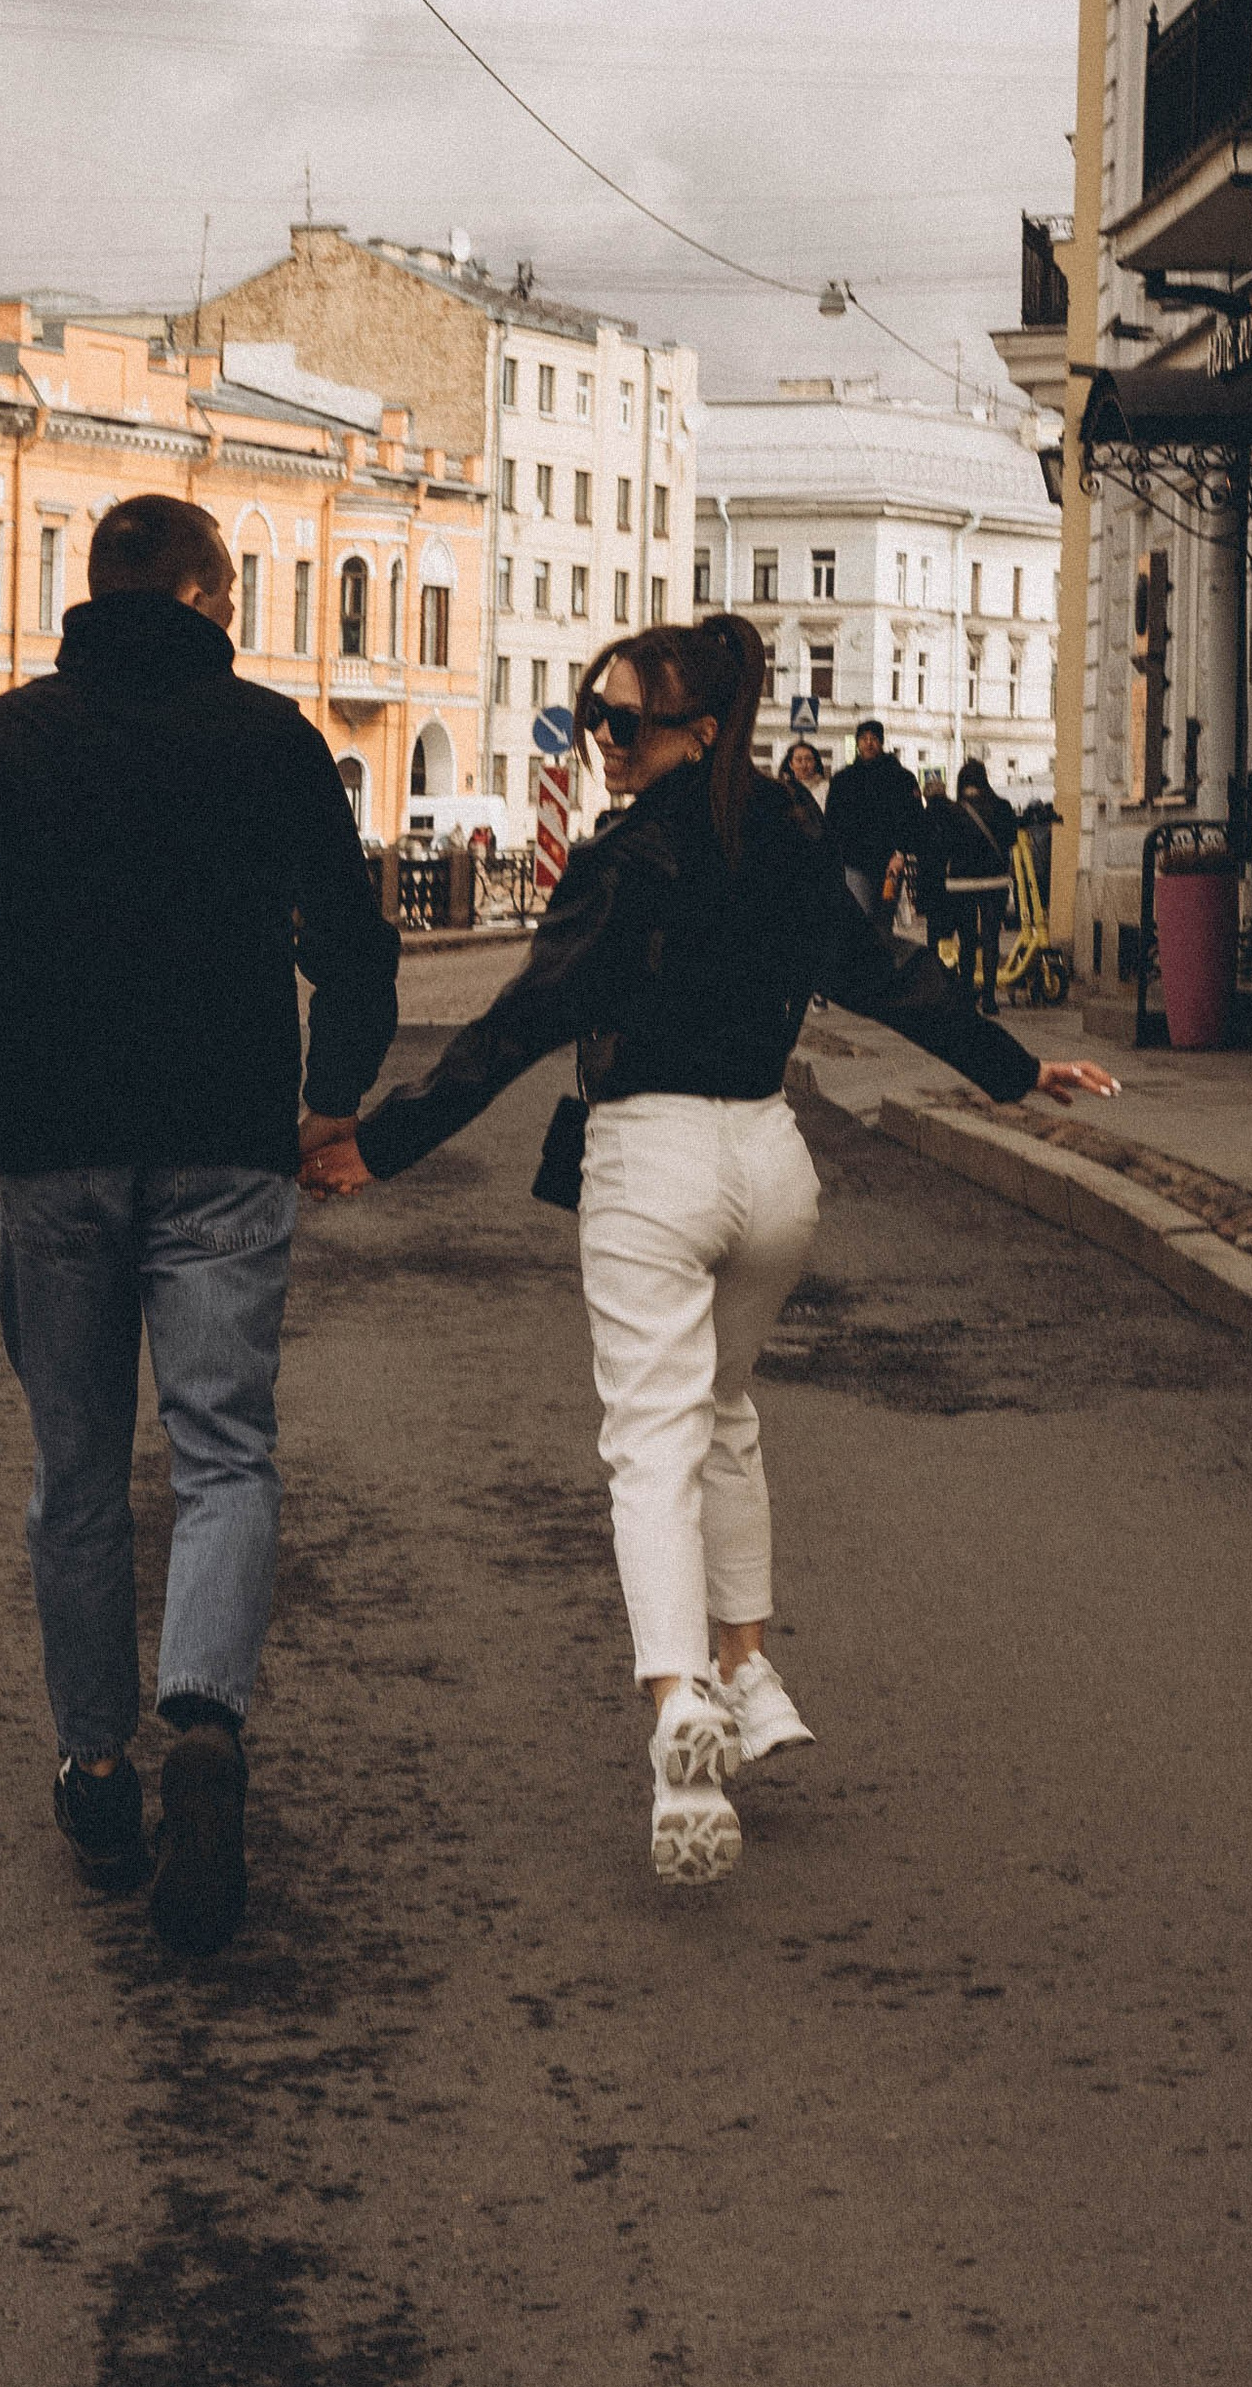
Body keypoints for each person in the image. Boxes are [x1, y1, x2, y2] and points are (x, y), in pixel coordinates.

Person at [299, 615, 1114, 1888]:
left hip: (656, 1166)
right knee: (724, 1414)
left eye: (624, 722)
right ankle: (749, 1670)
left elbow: (522, 1021)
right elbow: (878, 971)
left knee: (650, 1441)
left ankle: (679, 1698)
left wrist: (381, 1145)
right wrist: (1013, 1070)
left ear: (696, 730)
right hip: (773, 1168)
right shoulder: (787, 838)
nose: (604, 741)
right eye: (595, 713)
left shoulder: (629, 855)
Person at [0, 491, 400, 1957]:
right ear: (205, 597)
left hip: (51, 1139)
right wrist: (336, 1094)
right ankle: (208, 1723)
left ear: (97, 589)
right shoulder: (272, 738)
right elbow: (353, 940)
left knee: (75, 1467)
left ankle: (98, 1768)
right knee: (225, 1448)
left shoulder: (12, 733)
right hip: (225, 1142)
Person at [822, 716, 924, 933]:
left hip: (890, 862)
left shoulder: (901, 778)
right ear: (857, 743)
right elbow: (832, 820)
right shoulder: (843, 779)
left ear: (881, 742)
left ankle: (878, 962)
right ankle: (865, 963)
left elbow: (913, 819)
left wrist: (901, 852)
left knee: (883, 919)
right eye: (864, 738)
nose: (869, 743)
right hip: (854, 861)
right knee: (861, 915)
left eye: (874, 738)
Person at [941, 757, 1020, 1015]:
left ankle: (966, 995)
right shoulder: (1002, 807)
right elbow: (1010, 839)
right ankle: (989, 997)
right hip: (994, 882)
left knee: (967, 940)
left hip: (961, 884)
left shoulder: (952, 811)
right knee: (990, 938)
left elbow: (945, 846)